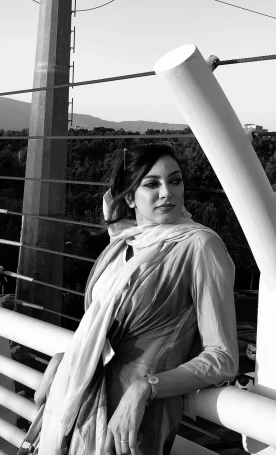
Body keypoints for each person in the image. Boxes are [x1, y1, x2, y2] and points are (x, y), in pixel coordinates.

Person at [34, 142, 239, 455]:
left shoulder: (199, 245)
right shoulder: (122, 245)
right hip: (81, 406)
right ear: (129, 196)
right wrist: (67, 360)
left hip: (132, 429)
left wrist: (146, 387)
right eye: (152, 184)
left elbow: (223, 357)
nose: (167, 193)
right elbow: (102, 334)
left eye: (175, 180)